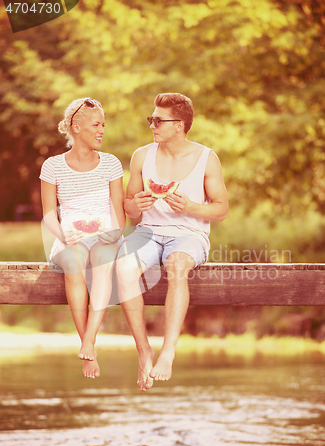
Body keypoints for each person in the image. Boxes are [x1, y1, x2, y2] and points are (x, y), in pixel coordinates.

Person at [117, 92, 228, 391]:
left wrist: (191, 207)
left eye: (158, 120)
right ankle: (144, 350)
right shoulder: (142, 155)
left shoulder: (207, 157)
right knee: (123, 269)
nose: (152, 124)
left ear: (179, 125)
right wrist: (134, 205)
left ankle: (168, 351)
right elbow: (128, 205)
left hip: (189, 236)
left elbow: (221, 209)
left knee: (177, 266)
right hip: (148, 232)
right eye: (151, 119)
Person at [40, 98, 125, 379]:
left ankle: (89, 341)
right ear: (76, 127)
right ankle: (86, 343)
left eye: (104, 125)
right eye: (96, 124)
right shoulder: (52, 166)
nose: (102, 130)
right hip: (68, 238)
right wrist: (64, 234)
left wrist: (114, 232)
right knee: (75, 261)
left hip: (106, 237)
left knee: (102, 260)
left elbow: (118, 211)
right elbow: (49, 215)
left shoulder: (111, 163)